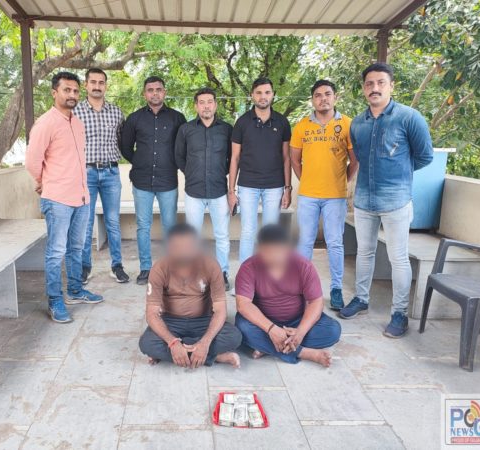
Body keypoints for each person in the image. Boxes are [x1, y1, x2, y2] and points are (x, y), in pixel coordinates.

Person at [339, 63, 433, 338]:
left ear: (391, 85)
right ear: (364, 89)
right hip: (364, 199)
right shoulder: (358, 123)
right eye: (369, 83)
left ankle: (399, 313)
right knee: (365, 252)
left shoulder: (409, 117)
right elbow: (359, 156)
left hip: (396, 200)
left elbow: (424, 156)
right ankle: (361, 299)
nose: (375, 88)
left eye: (381, 82)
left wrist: (399, 174)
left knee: (398, 257)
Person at [25, 72, 104, 323]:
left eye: (75, 91)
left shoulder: (77, 123)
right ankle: (55, 300)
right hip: (57, 198)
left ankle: (75, 290)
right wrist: (44, 181)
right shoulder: (45, 123)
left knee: (77, 247)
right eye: (66, 90)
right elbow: (32, 161)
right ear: (54, 92)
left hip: (81, 197)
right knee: (56, 252)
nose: (72, 95)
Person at [290, 80, 359, 311]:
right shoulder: (302, 126)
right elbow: (294, 160)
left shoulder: (347, 124)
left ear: (335, 97)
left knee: (335, 242)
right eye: (318, 95)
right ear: (313, 100)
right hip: (308, 195)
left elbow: (354, 160)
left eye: (327, 94)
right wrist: (306, 180)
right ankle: (302, 288)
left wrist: (342, 181)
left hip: (335, 196)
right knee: (305, 242)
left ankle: (336, 289)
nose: (323, 99)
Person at [234, 224, 341, 366]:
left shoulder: (303, 265)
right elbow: (243, 304)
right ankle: (304, 353)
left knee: (333, 330)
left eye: (279, 251)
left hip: (297, 321)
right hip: (264, 322)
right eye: (268, 252)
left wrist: (300, 332)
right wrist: (271, 329)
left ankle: (268, 346)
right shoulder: (248, 267)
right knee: (242, 328)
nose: (274, 257)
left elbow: (315, 302)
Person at [138, 223, 242, 368]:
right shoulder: (159, 268)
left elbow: (220, 310)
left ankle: (183, 353)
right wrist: (172, 342)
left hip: (203, 320)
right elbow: (151, 314)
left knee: (234, 337)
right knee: (146, 343)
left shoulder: (211, 265)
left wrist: (205, 342)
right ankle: (214, 357)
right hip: (171, 321)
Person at [121, 76, 187, 285]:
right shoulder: (135, 119)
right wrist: (140, 161)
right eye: (150, 90)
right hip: (142, 181)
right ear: (144, 94)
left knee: (170, 226)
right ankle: (146, 269)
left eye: (158, 89)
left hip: (168, 181)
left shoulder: (177, 118)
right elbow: (125, 147)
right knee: (143, 226)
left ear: (164, 92)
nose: (155, 93)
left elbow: (183, 147)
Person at [73, 68, 129, 285]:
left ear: (106, 86)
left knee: (113, 221)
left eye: (101, 82)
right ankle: (84, 267)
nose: (97, 86)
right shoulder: (75, 112)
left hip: (111, 173)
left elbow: (123, 141)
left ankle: (117, 266)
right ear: (86, 85)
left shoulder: (116, 112)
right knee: (86, 222)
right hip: (85, 173)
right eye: (93, 82)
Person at [228, 78, 293, 264]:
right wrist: (231, 191)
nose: (263, 96)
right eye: (258, 93)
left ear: (272, 94)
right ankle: (245, 276)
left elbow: (286, 158)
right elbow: (234, 158)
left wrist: (287, 189)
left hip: (274, 186)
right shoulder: (242, 122)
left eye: (267, 92)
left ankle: (268, 275)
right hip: (248, 185)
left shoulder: (282, 122)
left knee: (270, 233)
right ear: (252, 95)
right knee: (248, 231)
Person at [175, 87, 233, 291]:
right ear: (196, 106)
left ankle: (222, 274)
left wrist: (221, 172)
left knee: (222, 236)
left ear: (215, 105)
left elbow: (233, 158)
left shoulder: (227, 129)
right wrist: (192, 173)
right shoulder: (186, 129)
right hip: (194, 191)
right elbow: (179, 157)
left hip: (219, 191)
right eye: (202, 102)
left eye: (210, 102)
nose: (206, 106)